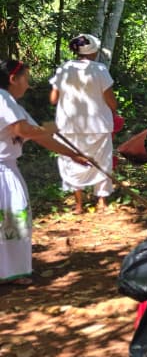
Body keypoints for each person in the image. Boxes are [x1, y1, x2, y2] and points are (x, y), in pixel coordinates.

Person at [2, 59, 92, 285]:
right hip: (3, 172)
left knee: (11, 219)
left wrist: (72, 153)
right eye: (26, 79)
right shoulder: (3, 99)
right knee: (13, 218)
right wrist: (48, 128)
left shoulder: (12, 104)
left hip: (7, 169)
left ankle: (9, 270)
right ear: (13, 79)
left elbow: (40, 137)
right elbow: (25, 130)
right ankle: (12, 271)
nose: (28, 85)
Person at [49, 33, 117, 214]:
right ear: (93, 52)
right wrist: (113, 108)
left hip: (68, 126)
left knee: (71, 162)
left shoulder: (63, 69)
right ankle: (101, 201)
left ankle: (78, 204)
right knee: (101, 162)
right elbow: (111, 100)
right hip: (98, 125)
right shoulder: (100, 70)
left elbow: (53, 99)